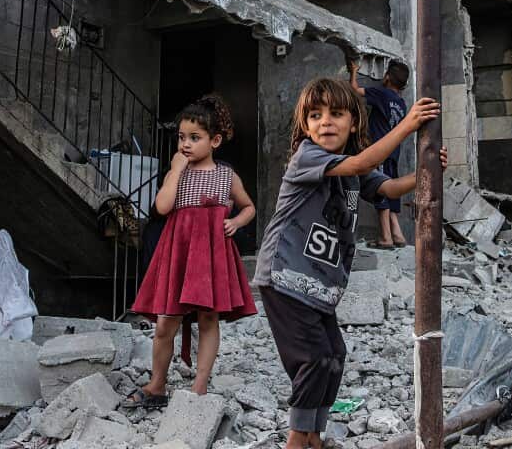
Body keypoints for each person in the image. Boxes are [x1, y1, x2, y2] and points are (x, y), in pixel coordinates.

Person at [252, 78, 444, 449]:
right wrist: (407, 125)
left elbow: (386, 188)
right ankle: (297, 439)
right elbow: (362, 160)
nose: (325, 122)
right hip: (285, 276)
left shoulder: (353, 172)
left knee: (334, 356)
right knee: (313, 357)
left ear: (354, 123)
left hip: (319, 286)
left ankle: (313, 435)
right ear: (305, 126)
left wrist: (428, 172)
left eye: (337, 114)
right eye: (315, 115)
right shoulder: (308, 157)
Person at [124, 95, 257, 408]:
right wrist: (175, 170)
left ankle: (199, 386)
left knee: (209, 319)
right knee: (164, 323)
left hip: (211, 256)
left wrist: (236, 221)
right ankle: (157, 384)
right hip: (179, 254)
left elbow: (249, 206)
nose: (186, 144)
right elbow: (162, 207)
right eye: (182, 137)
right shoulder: (178, 173)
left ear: (215, 141)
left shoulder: (226, 176)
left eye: (194, 138)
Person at [348, 58, 410, 248]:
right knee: (391, 190)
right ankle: (398, 235)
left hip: (379, 150)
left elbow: (354, 91)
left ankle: (386, 238)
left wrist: (354, 71)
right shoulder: (401, 104)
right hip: (393, 153)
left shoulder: (382, 93)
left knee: (380, 190)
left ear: (387, 78)